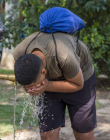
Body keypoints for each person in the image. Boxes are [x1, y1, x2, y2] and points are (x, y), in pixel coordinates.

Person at [13, 7, 97, 140]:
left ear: (44, 72)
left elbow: (78, 84)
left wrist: (46, 86)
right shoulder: (20, 53)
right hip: (48, 80)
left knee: (83, 132)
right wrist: (30, 86)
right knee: (47, 134)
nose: (32, 90)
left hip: (80, 79)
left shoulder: (64, 55)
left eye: (33, 86)